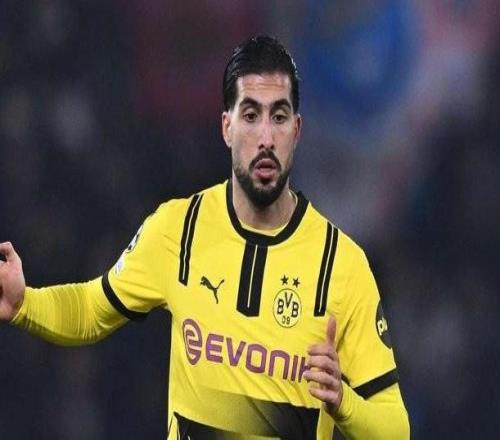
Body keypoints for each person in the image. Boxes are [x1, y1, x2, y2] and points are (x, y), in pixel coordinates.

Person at [0, 35, 409, 439]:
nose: (266, 138)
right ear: (226, 127)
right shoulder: (178, 229)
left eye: (279, 117)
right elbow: (92, 308)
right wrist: (24, 304)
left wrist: (343, 402)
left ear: (297, 130)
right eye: (251, 115)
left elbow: (396, 429)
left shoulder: (341, 264)